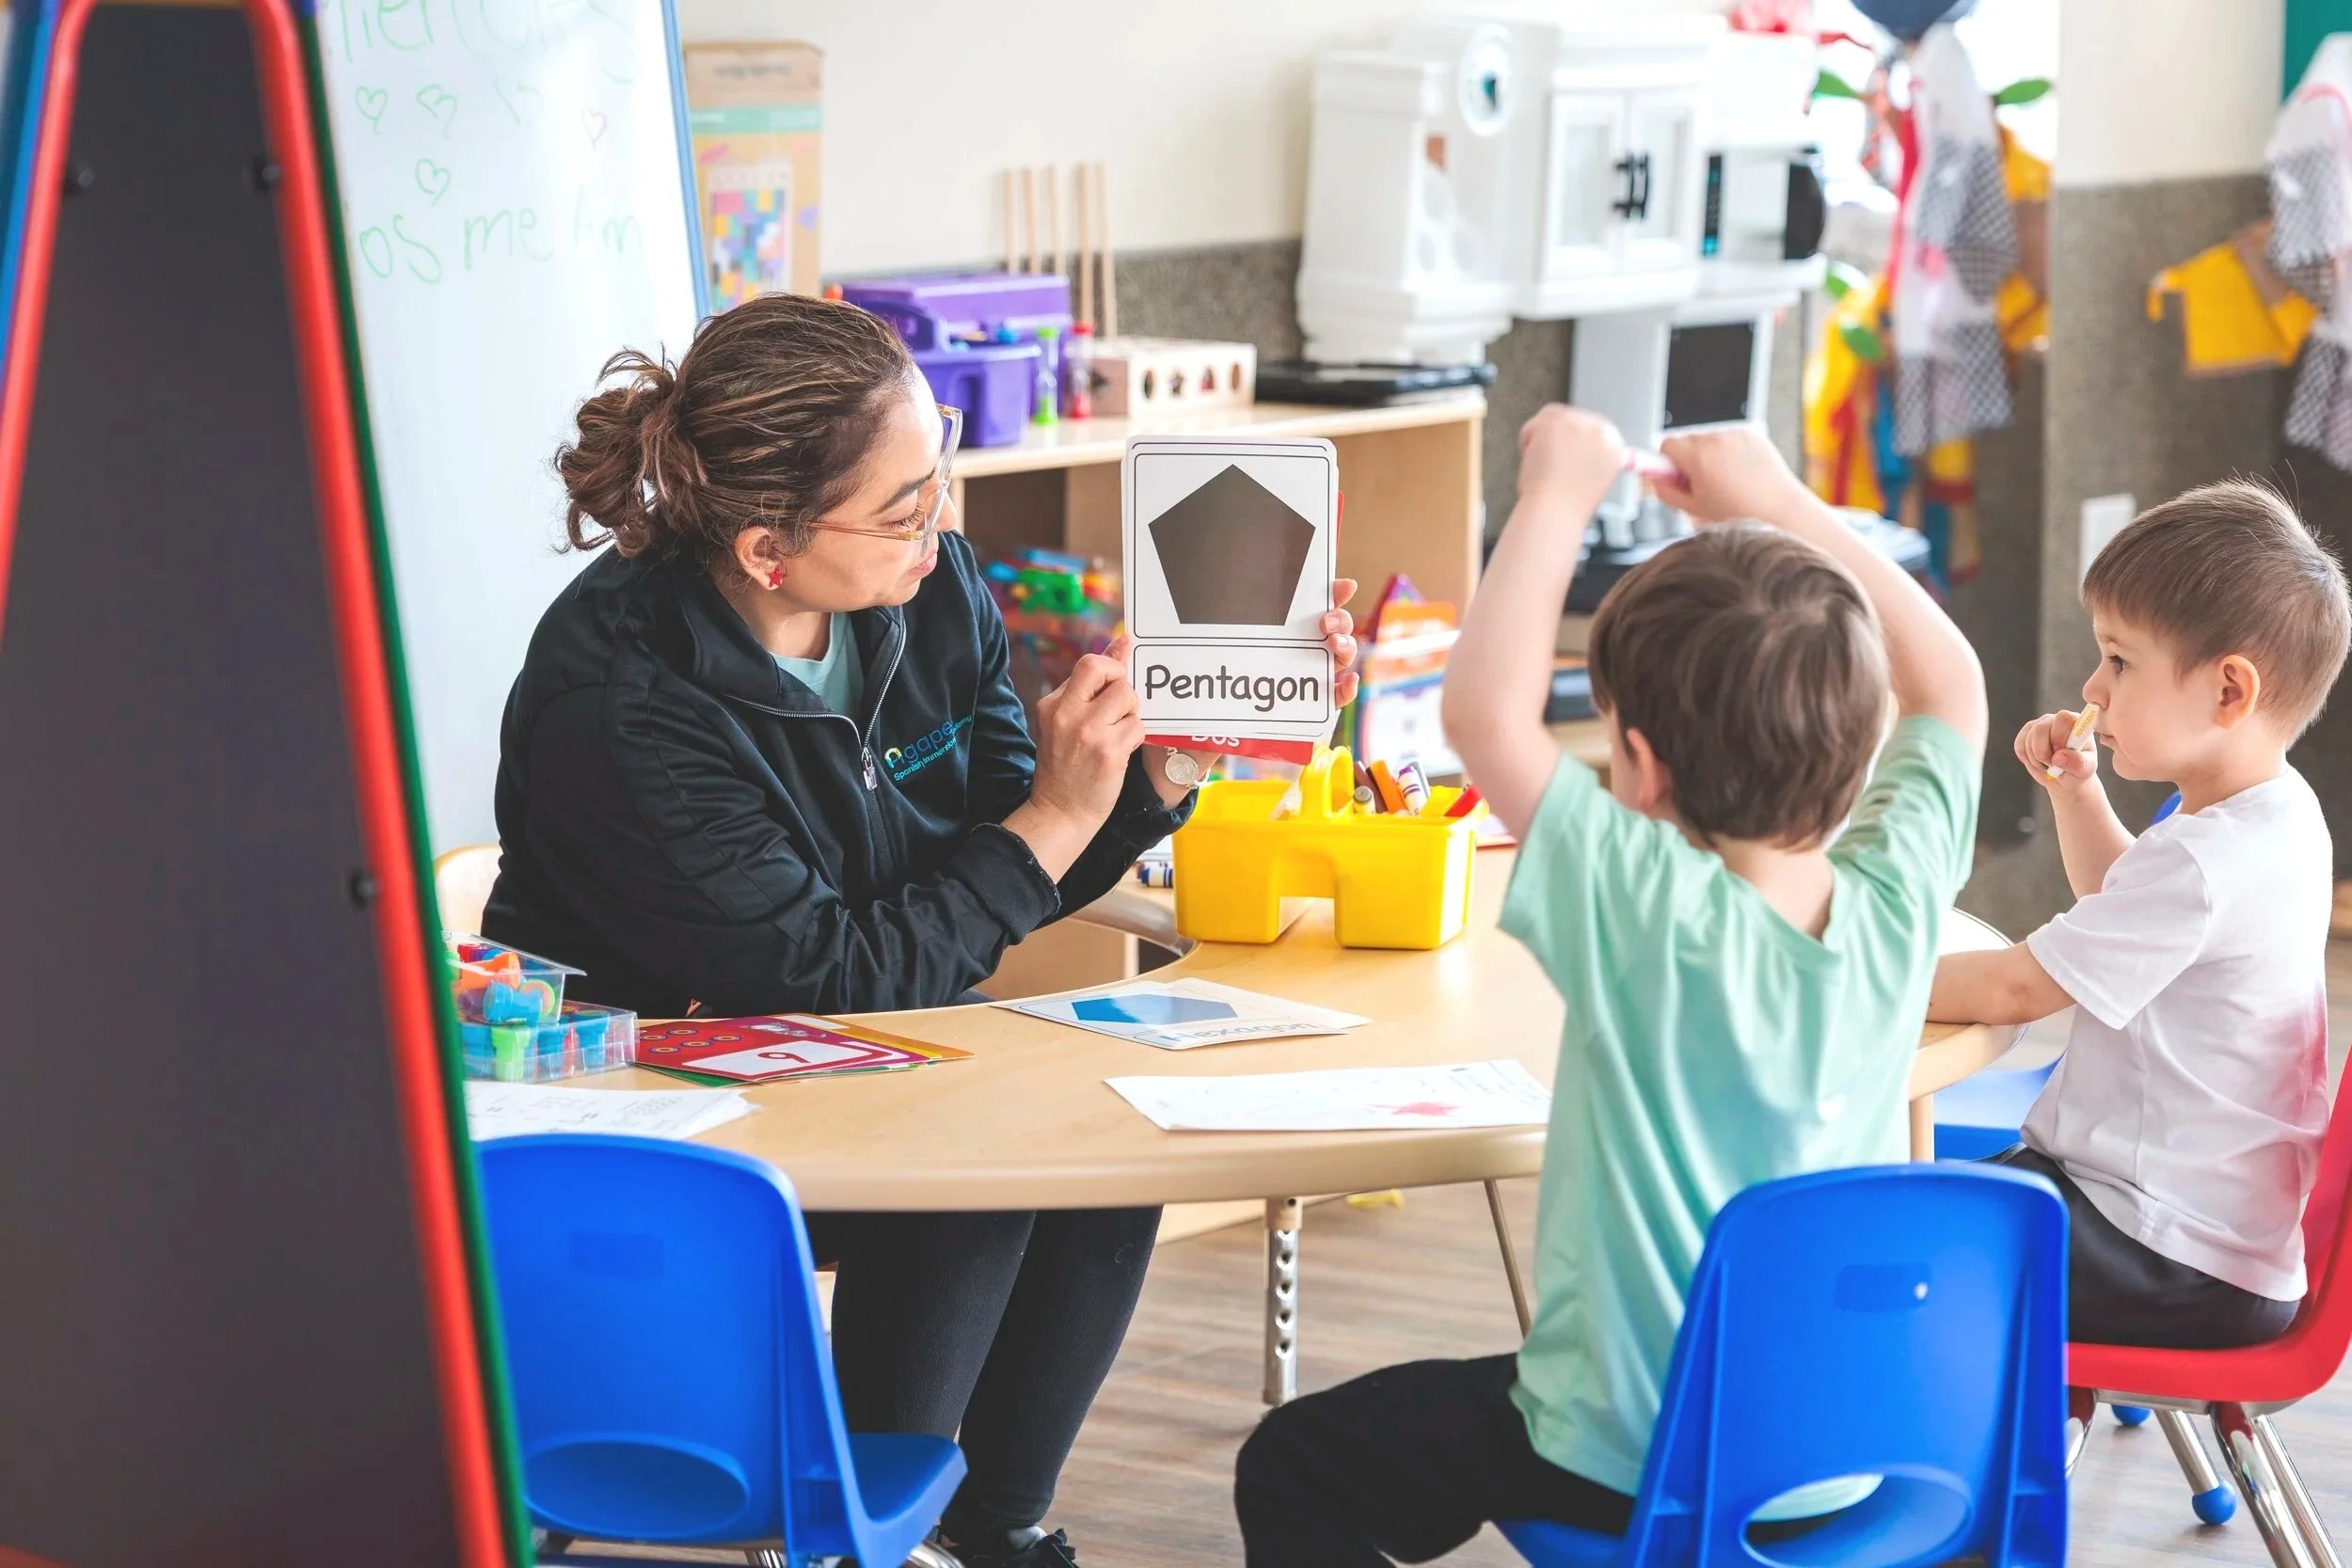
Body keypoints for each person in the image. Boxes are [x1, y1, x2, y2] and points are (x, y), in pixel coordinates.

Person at [481, 293, 1359, 1567]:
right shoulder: (619, 702)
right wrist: (1052, 816)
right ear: (769, 549)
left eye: (938, 466)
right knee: (984, 1171)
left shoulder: (923, 582)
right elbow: (827, 971)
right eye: (903, 506)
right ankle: (863, 1540)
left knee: (1100, 1142)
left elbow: (1008, 854)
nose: (943, 521)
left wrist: (1156, 759)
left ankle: (997, 1524)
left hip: (857, 1046)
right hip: (657, 1092)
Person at [1232, 412, 1986, 1565]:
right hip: (1847, 1453)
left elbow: (1480, 715)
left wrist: (1554, 494)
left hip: (1634, 1461)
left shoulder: (1645, 909)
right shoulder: (1894, 900)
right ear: (1861, 739)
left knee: (1291, 1461)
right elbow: (1955, 685)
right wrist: (1780, 501)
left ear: (1638, 765)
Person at [1931, 481, 2350, 1350]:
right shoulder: (2276, 812)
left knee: (1880, 1247)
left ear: (2229, 690)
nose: (2093, 685)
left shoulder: (2204, 860)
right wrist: (2077, 793)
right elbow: (2126, 906)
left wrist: (1846, 973)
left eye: (2120, 660)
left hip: (2159, 1250)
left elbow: (2014, 988)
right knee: (1912, 1214)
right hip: (2210, 1241)